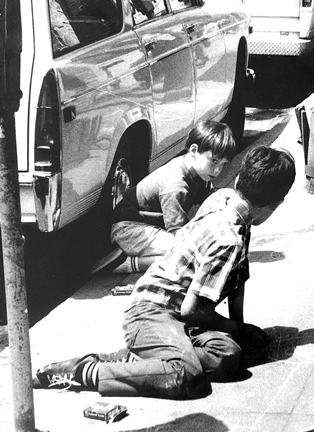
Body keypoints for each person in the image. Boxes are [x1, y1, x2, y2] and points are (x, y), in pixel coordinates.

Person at [32, 146, 297, 400]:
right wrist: (236, 327)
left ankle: (153, 360)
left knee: (226, 356)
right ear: (277, 203)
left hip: (177, 315)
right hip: (150, 312)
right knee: (185, 375)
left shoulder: (225, 198)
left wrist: (237, 330)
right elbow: (193, 311)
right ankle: (83, 372)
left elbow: (238, 275)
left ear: (240, 177)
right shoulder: (228, 239)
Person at [107, 120, 237, 275]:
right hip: (128, 230)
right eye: (214, 160)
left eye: (223, 164)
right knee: (187, 253)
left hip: (150, 227)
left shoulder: (199, 172)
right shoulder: (176, 185)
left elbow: (211, 203)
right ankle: (130, 263)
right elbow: (179, 235)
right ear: (194, 150)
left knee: (199, 245)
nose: (217, 170)